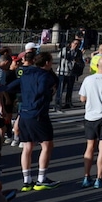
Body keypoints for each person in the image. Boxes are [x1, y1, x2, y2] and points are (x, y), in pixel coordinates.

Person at [8, 52, 61, 192]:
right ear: (47, 63)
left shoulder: (26, 74)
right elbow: (44, 89)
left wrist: (25, 95)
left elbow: (11, 86)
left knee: (27, 147)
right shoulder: (45, 76)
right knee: (47, 145)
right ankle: (41, 179)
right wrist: (48, 94)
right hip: (38, 114)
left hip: (24, 113)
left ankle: (27, 181)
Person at [78, 55, 102, 189]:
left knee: (89, 147)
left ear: (97, 66)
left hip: (90, 116)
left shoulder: (88, 79)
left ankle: (86, 176)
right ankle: (99, 177)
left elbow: (82, 98)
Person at [56, 38, 84, 109]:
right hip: (63, 71)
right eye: (75, 43)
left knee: (70, 89)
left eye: (78, 44)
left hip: (72, 72)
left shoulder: (79, 52)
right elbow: (60, 56)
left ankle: (68, 103)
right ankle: (58, 103)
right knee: (61, 88)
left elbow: (80, 61)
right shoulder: (66, 49)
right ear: (71, 44)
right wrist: (70, 52)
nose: (76, 45)